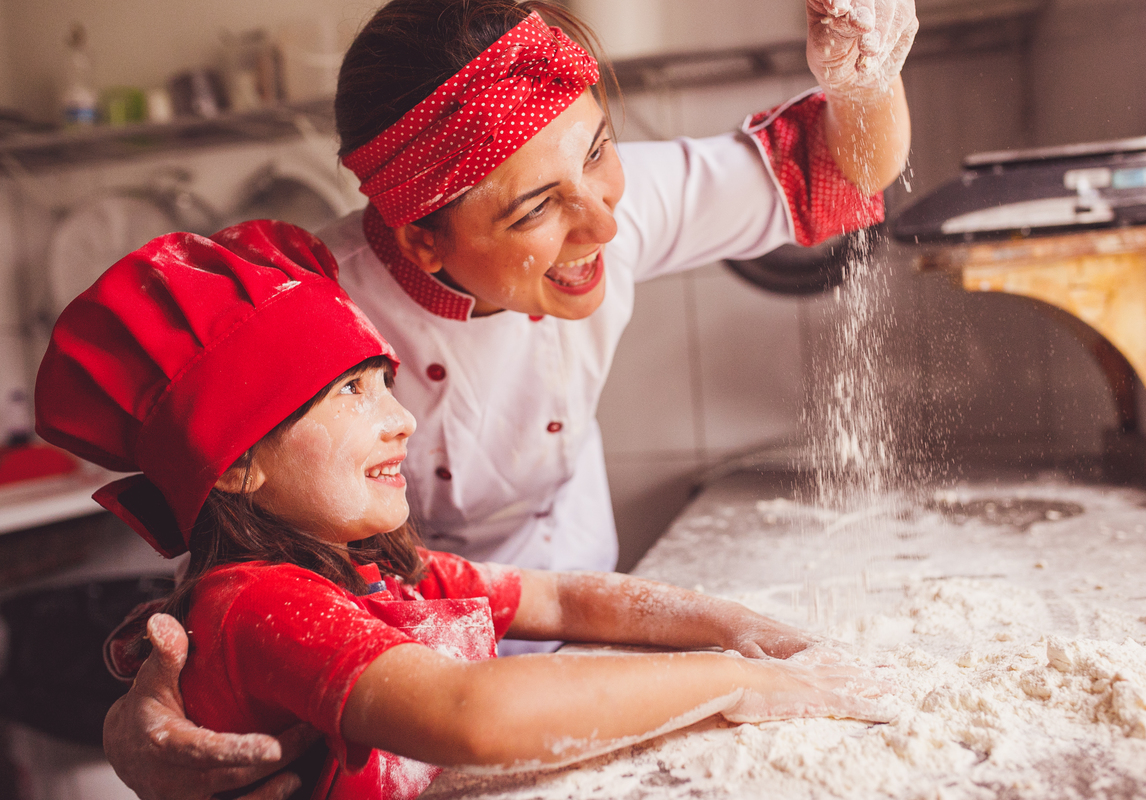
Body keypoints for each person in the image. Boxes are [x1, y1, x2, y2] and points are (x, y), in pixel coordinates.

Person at [102, 0, 918, 796]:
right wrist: (142, 710)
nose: (602, 224)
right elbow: (235, 537)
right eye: (536, 210)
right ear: (421, 237)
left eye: (599, 152)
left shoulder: (603, 206)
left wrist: (867, 76)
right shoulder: (317, 312)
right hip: (390, 687)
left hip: (583, 625)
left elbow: (844, 167)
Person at [36, 220, 888, 800]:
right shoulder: (263, 604)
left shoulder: (365, 566)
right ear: (239, 467)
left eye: (384, 386)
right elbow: (469, 715)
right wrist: (742, 684)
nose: (401, 419)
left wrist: (761, 636)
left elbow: (563, 598)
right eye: (349, 396)